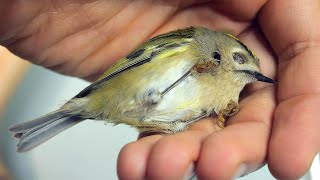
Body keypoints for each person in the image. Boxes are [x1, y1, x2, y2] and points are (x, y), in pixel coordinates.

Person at [0, 1, 319, 179]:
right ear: (217, 48)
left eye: (247, 73)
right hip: (120, 90)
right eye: (239, 60)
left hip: (144, 110)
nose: (243, 72)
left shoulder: (217, 94)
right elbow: (134, 62)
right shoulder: (191, 44)